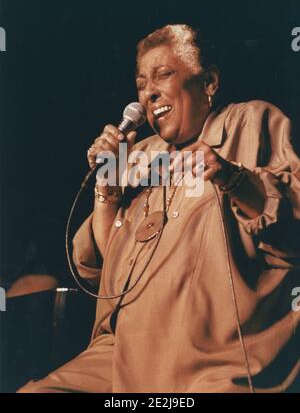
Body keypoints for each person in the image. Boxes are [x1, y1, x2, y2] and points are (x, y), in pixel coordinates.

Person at [18, 24, 300, 393]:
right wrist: (108, 188)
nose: (149, 93)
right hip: (122, 358)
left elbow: (293, 225)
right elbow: (104, 276)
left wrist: (232, 178)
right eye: (140, 84)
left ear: (209, 82)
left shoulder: (250, 122)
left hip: (215, 361)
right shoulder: (142, 156)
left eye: (163, 75)